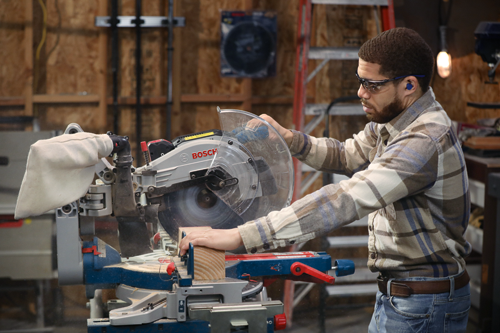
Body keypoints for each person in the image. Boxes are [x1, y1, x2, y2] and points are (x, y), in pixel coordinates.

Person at [180, 27, 471, 332]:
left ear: (409, 85)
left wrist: (242, 236)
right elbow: (347, 155)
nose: (361, 93)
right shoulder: (393, 121)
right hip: (403, 295)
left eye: (372, 85)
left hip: (426, 303)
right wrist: (289, 139)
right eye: (360, 82)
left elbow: (346, 198)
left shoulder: (424, 140)